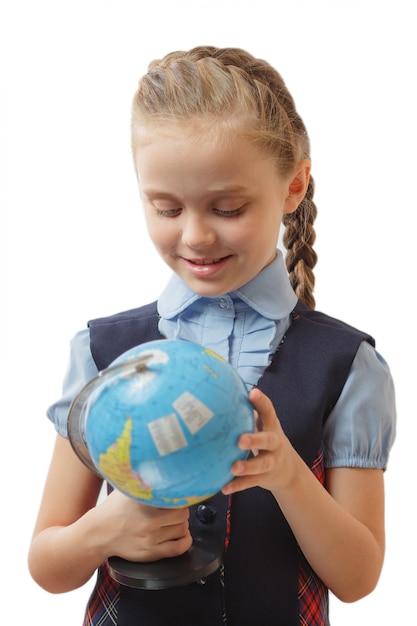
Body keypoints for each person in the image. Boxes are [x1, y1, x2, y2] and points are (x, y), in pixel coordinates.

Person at [28, 46, 396, 626]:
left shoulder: (346, 365)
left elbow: (358, 579)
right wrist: (103, 528)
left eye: (227, 207)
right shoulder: (103, 355)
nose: (196, 235)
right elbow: (47, 566)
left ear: (294, 186)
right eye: (166, 208)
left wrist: (289, 477)